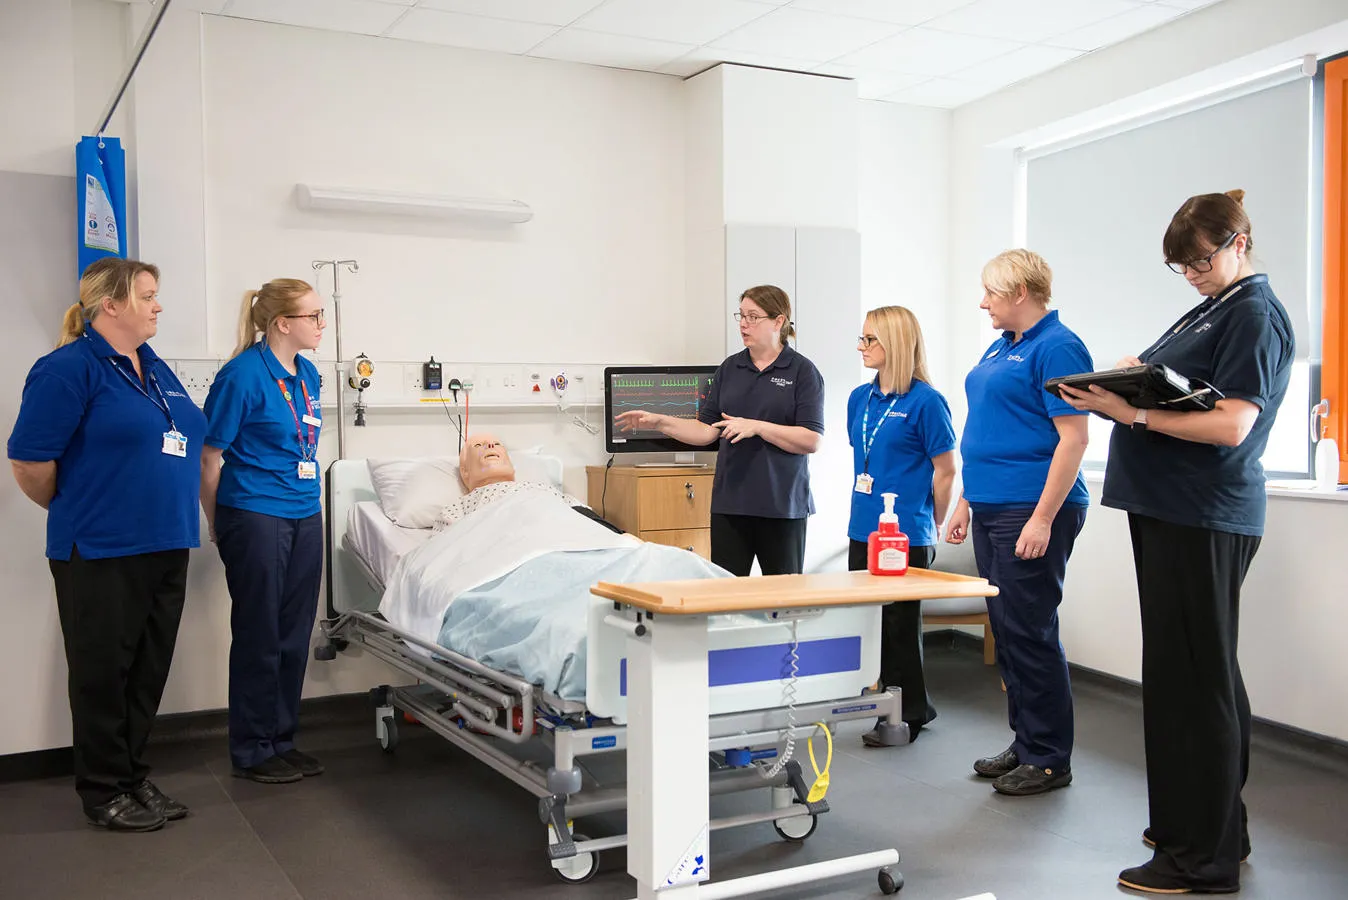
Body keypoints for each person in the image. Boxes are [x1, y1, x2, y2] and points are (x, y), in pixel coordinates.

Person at [1059, 190, 1292, 895]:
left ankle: (1203, 858)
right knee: (1194, 672)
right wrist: (1138, 383)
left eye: (1202, 260)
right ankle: (1212, 824)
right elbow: (1192, 392)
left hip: (1203, 512)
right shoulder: (1216, 306)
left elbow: (1230, 426)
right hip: (1173, 509)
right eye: (1181, 266)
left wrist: (1129, 411)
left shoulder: (1253, 312)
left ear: (1240, 242)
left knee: (1195, 680)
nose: (1193, 274)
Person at [7, 258, 205, 831]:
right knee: (101, 673)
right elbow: (28, 462)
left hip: (167, 540)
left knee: (147, 670)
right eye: (147, 296)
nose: (158, 305)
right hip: (98, 546)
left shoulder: (155, 369)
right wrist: (78, 508)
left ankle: (133, 776)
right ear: (110, 305)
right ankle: (102, 790)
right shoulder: (67, 370)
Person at [945, 249, 1092, 796]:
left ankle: (1051, 757)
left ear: (1021, 294)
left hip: (1032, 509)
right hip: (992, 506)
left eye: (991, 293)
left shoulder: (1058, 346)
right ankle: (1026, 741)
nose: (983, 302)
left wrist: (1042, 519)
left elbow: (1074, 439)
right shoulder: (1002, 344)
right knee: (1007, 632)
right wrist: (965, 502)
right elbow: (985, 430)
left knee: (1030, 630)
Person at [201, 279, 326, 785]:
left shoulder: (309, 374)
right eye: (314, 316)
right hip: (253, 514)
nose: (322, 325)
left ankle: (281, 738)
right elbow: (209, 458)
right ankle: (251, 748)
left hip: (303, 510)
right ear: (282, 324)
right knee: (260, 634)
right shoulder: (242, 376)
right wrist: (217, 525)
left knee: (295, 633)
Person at [613, 285, 824, 575]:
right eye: (741, 315)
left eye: (753, 316)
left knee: (781, 600)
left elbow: (811, 439)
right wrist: (659, 421)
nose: (743, 324)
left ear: (778, 321)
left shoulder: (802, 371)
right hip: (731, 505)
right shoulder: (730, 368)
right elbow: (706, 431)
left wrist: (758, 427)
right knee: (724, 595)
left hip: (782, 507)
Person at [847, 306, 956, 746]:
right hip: (862, 526)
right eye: (862, 338)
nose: (861, 347)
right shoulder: (860, 397)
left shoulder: (927, 402)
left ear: (894, 343)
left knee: (899, 625)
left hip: (905, 532)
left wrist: (933, 521)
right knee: (871, 623)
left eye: (869, 340)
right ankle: (895, 704)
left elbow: (946, 470)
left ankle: (908, 713)